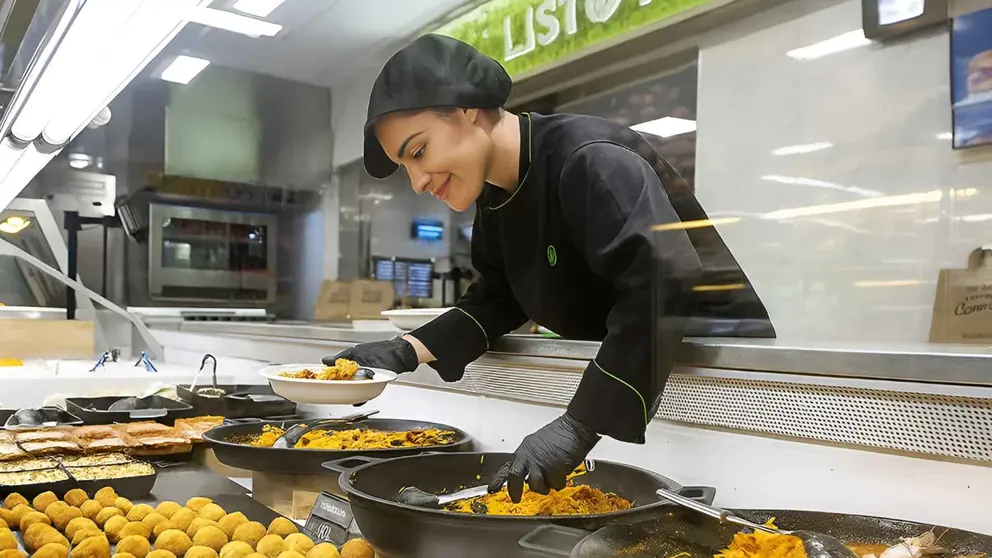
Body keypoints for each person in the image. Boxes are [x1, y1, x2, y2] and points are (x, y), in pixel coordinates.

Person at [327, 34, 773, 503]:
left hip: (734, 390)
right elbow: (497, 300)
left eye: (418, 153)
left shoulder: (589, 157)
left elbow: (660, 285)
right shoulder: (496, 198)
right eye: (405, 167)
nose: (418, 181)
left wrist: (580, 425)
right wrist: (407, 350)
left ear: (468, 110)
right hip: (646, 384)